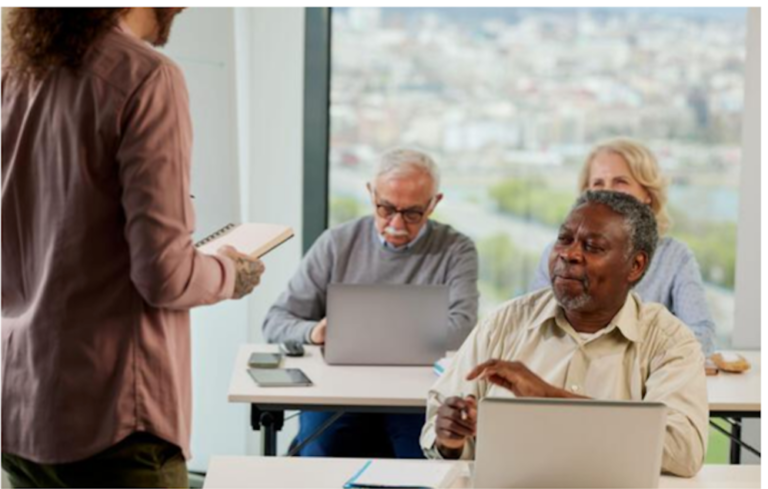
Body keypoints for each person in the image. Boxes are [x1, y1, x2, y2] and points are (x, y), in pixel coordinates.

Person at [2, 8, 264, 488]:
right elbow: (165, 275)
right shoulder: (146, 76)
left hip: (20, 411)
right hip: (112, 421)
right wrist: (230, 272)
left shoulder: (13, 71)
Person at [422, 191, 708, 478]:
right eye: (564, 239)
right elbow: (440, 427)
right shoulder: (505, 323)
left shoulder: (668, 341)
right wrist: (450, 440)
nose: (569, 254)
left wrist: (548, 398)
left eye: (593, 246)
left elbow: (683, 451)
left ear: (635, 266)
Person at [264, 148, 479, 458]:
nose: (396, 224)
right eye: (385, 208)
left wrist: (366, 335)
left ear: (434, 204)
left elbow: (463, 328)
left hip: (415, 396)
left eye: (413, 213)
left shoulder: (457, 250)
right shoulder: (337, 243)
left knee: (422, 462)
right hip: (338, 393)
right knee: (319, 453)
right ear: (370, 194)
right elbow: (276, 322)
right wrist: (315, 333)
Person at [529, 137, 716, 356]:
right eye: (598, 183)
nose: (607, 193)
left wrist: (622, 361)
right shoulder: (560, 255)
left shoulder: (675, 258)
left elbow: (702, 336)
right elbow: (533, 327)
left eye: (620, 182)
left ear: (648, 194)